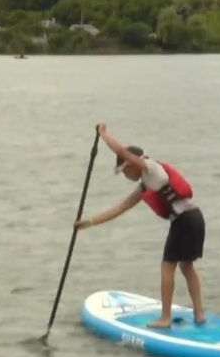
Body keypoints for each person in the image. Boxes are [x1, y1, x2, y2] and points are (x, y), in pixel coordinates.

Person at [75, 124, 207, 329]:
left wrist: (103, 135)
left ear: (130, 165)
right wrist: (88, 222)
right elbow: (119, 208)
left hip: (184, 221)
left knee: (168, 265)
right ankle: (199, 314)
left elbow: (121, 151)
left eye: (124, 171)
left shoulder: (150, 168)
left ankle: (165, 318)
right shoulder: (147, 183)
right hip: (195, 218)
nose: (126, 176)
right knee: (186, 265)